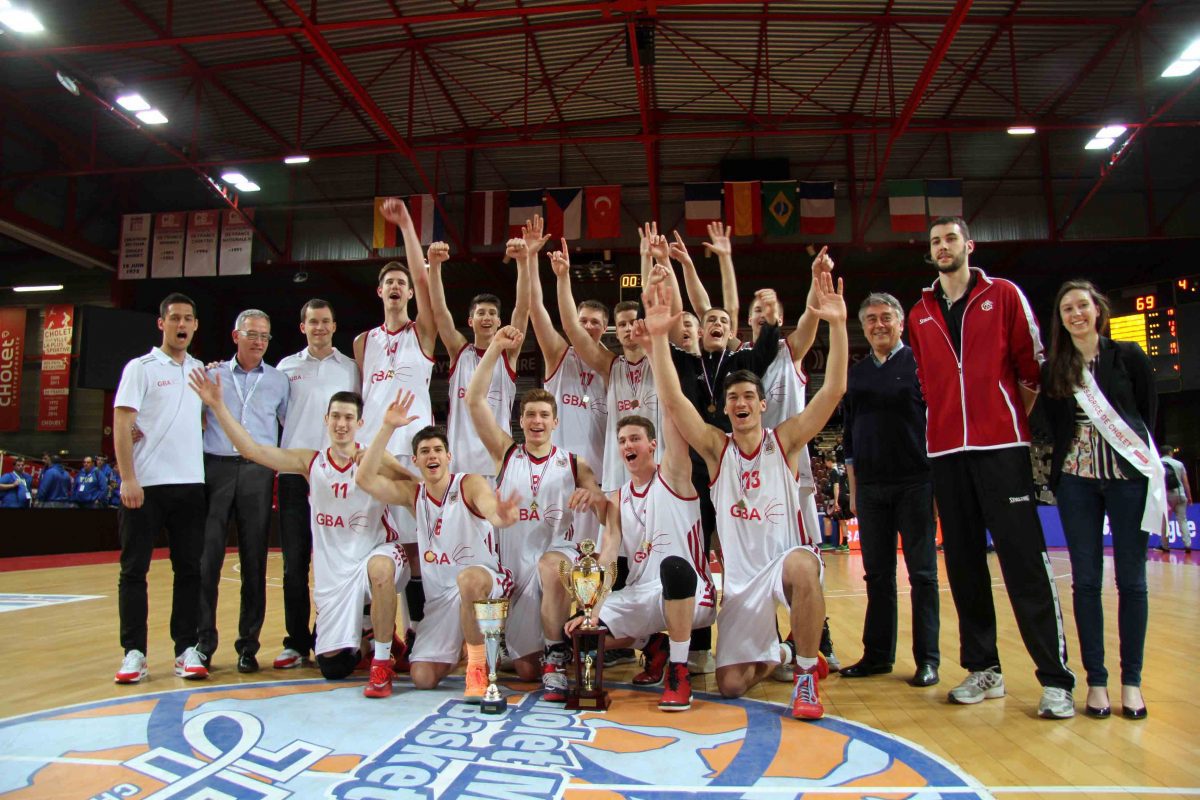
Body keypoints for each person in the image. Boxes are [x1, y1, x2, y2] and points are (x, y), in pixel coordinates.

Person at [645, 274, 848, 720]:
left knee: (801, 564)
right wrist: (660, 337)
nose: (741, 401)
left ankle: (807, 674)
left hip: (782, 563)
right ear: (725, 405)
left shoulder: (786, 440)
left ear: (761, 405)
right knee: (732, 685)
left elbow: (833, 391)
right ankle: (776, 652)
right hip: (741, 582)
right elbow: (673, 399)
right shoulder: (717, 449)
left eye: (749, 396)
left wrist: (838, 326)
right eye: (733, 396)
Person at [907, 216, 1075, 719]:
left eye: (950, 239)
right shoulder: (919, 312)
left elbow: (1031, 367)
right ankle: (985, 668)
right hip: (946, 454)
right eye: (935, 241)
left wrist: (999, 418)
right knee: (962, 566)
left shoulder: (1003, 294)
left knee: (1024, 562)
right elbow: (924, 380)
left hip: (1001, 448)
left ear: (968, 245)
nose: (942, 247)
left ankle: (1055, 680)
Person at [189, 371, 414, 698]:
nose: (341, 423)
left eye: (349, 418)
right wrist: (218, 405)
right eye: (336, 416)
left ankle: (382, 663)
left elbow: (411, 487)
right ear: (326, 420)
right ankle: (368, 637)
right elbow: (252, 450)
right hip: (336, 574)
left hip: (377, 555)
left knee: (380, 570)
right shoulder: (311, 462)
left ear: (360, 424)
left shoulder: (373, 456)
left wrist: (386, 452)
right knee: (333, 667)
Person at [1038, 280, 1161, 720]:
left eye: (1082, 306)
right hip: (1077, 483)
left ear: (1098, 310)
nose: (1076, 314)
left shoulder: (1128, 357)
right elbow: (1053, 425)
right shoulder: (1056, 368)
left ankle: (1132, 682)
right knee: (1086, 581)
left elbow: (1146, 415)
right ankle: (1097, 681)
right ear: (1061, 317)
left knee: (1133, 582)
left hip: (1129, 481)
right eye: (1067, 308)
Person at [466, 325, 603, 698]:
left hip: (556, 559)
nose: (537, 421)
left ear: (555, 421)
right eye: (530, 415)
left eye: (544, 414)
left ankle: (556, 658)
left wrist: (593, 499)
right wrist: (494, 348)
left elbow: (605, 508)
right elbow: (474, 402)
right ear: (521, 420)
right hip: (515, 571)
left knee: (550, 565)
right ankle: (541, 651)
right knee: (525, 671)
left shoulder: (575, 464)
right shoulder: (506, 453)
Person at [356, 398, 520, 702]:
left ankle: (477, 667)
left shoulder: (469, 484)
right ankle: (463, 647)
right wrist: (387, 428)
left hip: (485, 582)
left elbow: (490, 508)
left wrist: (501, 517)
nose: (431, 455)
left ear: (449, 457)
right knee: (422, 678)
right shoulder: (413, 494)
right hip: (441, 600)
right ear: (416, 462)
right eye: (424, 452)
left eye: (437, 450)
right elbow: (364, 478)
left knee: (468, 579)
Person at [582, 410, 718, 711]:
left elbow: (674, 417)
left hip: (689, 592)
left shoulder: (673, 476)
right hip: (641, 593)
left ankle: (679, 672)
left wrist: (660, 364)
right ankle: (654, 645)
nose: (627, 445)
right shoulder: (618, 498)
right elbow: (608, 553)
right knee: (581, 637)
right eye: (622, 441)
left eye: (635, 439)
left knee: (673, 566)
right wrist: (592, 606)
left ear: (653, 444)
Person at [840, 292, 940, 687]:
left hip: (916, 482)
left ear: (900, 322)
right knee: (877, 576)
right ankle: (878, 655)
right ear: (863, 327)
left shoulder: (920, 363)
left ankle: (928, 659)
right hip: (871, 488)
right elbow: (848, 438)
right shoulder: (858, 373)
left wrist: (936, 487)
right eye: (871, 320)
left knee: (923, 575)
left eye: (886, 317)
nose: (878, 325)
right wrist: (852, 489)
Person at [354, 198, 438, 642]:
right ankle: (371, 631)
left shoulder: (422, 333)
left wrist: (406, 225)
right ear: (379, 291)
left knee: (416, 545)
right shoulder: (362, 342)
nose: (395, 286)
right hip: (370, 458)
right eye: (388, 281)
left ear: (408, 292)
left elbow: (425, 279)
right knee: (370, 546)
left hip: (410, 456)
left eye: (401, 282)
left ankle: (421, 631)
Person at [112, 293, 208, 684]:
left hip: (190, 485)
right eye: (175, 318)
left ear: (195, 325)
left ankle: (185, 649)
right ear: (162, 323)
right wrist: (128, 478)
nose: (181, 325)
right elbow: (122, 422)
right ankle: (134, 652)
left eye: (188, 318)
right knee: (134, 571)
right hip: (146, 486)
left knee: (189, 571)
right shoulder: (141, 368)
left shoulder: (202, 371)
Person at [197, 309, 290, 675]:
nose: (259, 341)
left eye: (265, 336)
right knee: (208, 560)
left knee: (255, 562)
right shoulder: (210, 374)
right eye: (252, 334)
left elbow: (289, 426)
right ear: (235, 335)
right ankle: (203, 643)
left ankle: (248, 646)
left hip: (258, 472)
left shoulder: (280, 382)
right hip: (215, 467)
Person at [274, 298, 361, 670]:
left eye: (325, 321)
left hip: (341, 477)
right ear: (302, 327)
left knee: (346, 562)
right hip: (296, 475)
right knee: (295, 563)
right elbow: (277, 414)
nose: (319, 327)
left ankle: (348, 636)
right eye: (313, 322)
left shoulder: (352, 369)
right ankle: (296, 641)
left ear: (334, 325)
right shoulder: (285, 368)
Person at [426, 224, 531, 479]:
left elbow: (523, 308)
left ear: (499, 322)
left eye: (493, 314)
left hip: (498, 466)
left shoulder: (508, 354)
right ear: (471, 320)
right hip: (459, 467)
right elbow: (440, 313)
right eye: (481, 313)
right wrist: (435, 266)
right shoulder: (459, 351)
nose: (487, 317)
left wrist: (523, 263)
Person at [1159, 447, 1193, 553]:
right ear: (1170, 452)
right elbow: (1185, 482)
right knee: (1182, 520)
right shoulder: (1179, 464)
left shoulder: (1158, 464)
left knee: (1165, 522)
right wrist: (1189, 497)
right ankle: (1187, 545)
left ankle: (1165, 546)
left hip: (1165, 496)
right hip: (1180, 493)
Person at [820, 454, 849, 551]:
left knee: (826, 518)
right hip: (845, 496)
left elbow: (836, 486)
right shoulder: (842, 467)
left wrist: (836, 501)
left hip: (837, 498)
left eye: (825, 462)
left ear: (828, 461)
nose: (826, 464)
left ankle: (828, 543)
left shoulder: (833, 471)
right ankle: (845, 544)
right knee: (842, 520)